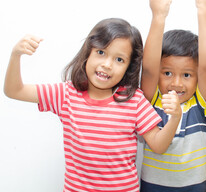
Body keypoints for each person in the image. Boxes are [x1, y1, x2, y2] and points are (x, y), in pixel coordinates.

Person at [3, 18, 182, 192]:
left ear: (129, 67)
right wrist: (15, 56)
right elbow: (14, 91)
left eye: (119, 60)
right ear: (88, 52)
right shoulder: (66, 94)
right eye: (101, 52)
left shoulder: (133, 100)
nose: (106, 65)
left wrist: (175, 118)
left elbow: (158, 146)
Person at [139, 0, 206, 192]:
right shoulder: (152, 102)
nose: (176, 83)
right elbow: (148, 69)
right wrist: (158, 16)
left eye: (187, 75)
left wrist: (204, 8)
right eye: (167, 73)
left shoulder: (201, 104)